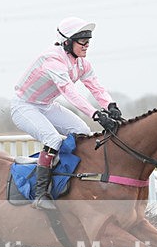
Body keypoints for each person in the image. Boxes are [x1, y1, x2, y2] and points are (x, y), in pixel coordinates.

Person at [11, 16, 122, 210]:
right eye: (83, 41)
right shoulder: (51, 59)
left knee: (83, 132)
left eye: (89, 41)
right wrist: (96, 113)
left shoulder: (82, 63)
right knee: (53, 139)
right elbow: (68, 91)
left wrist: (110, 105)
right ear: (67, 41)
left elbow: (96, 88)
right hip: (24, 106)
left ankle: (72, 179)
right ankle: (40, 193)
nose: (87, 45)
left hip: (46, 105)